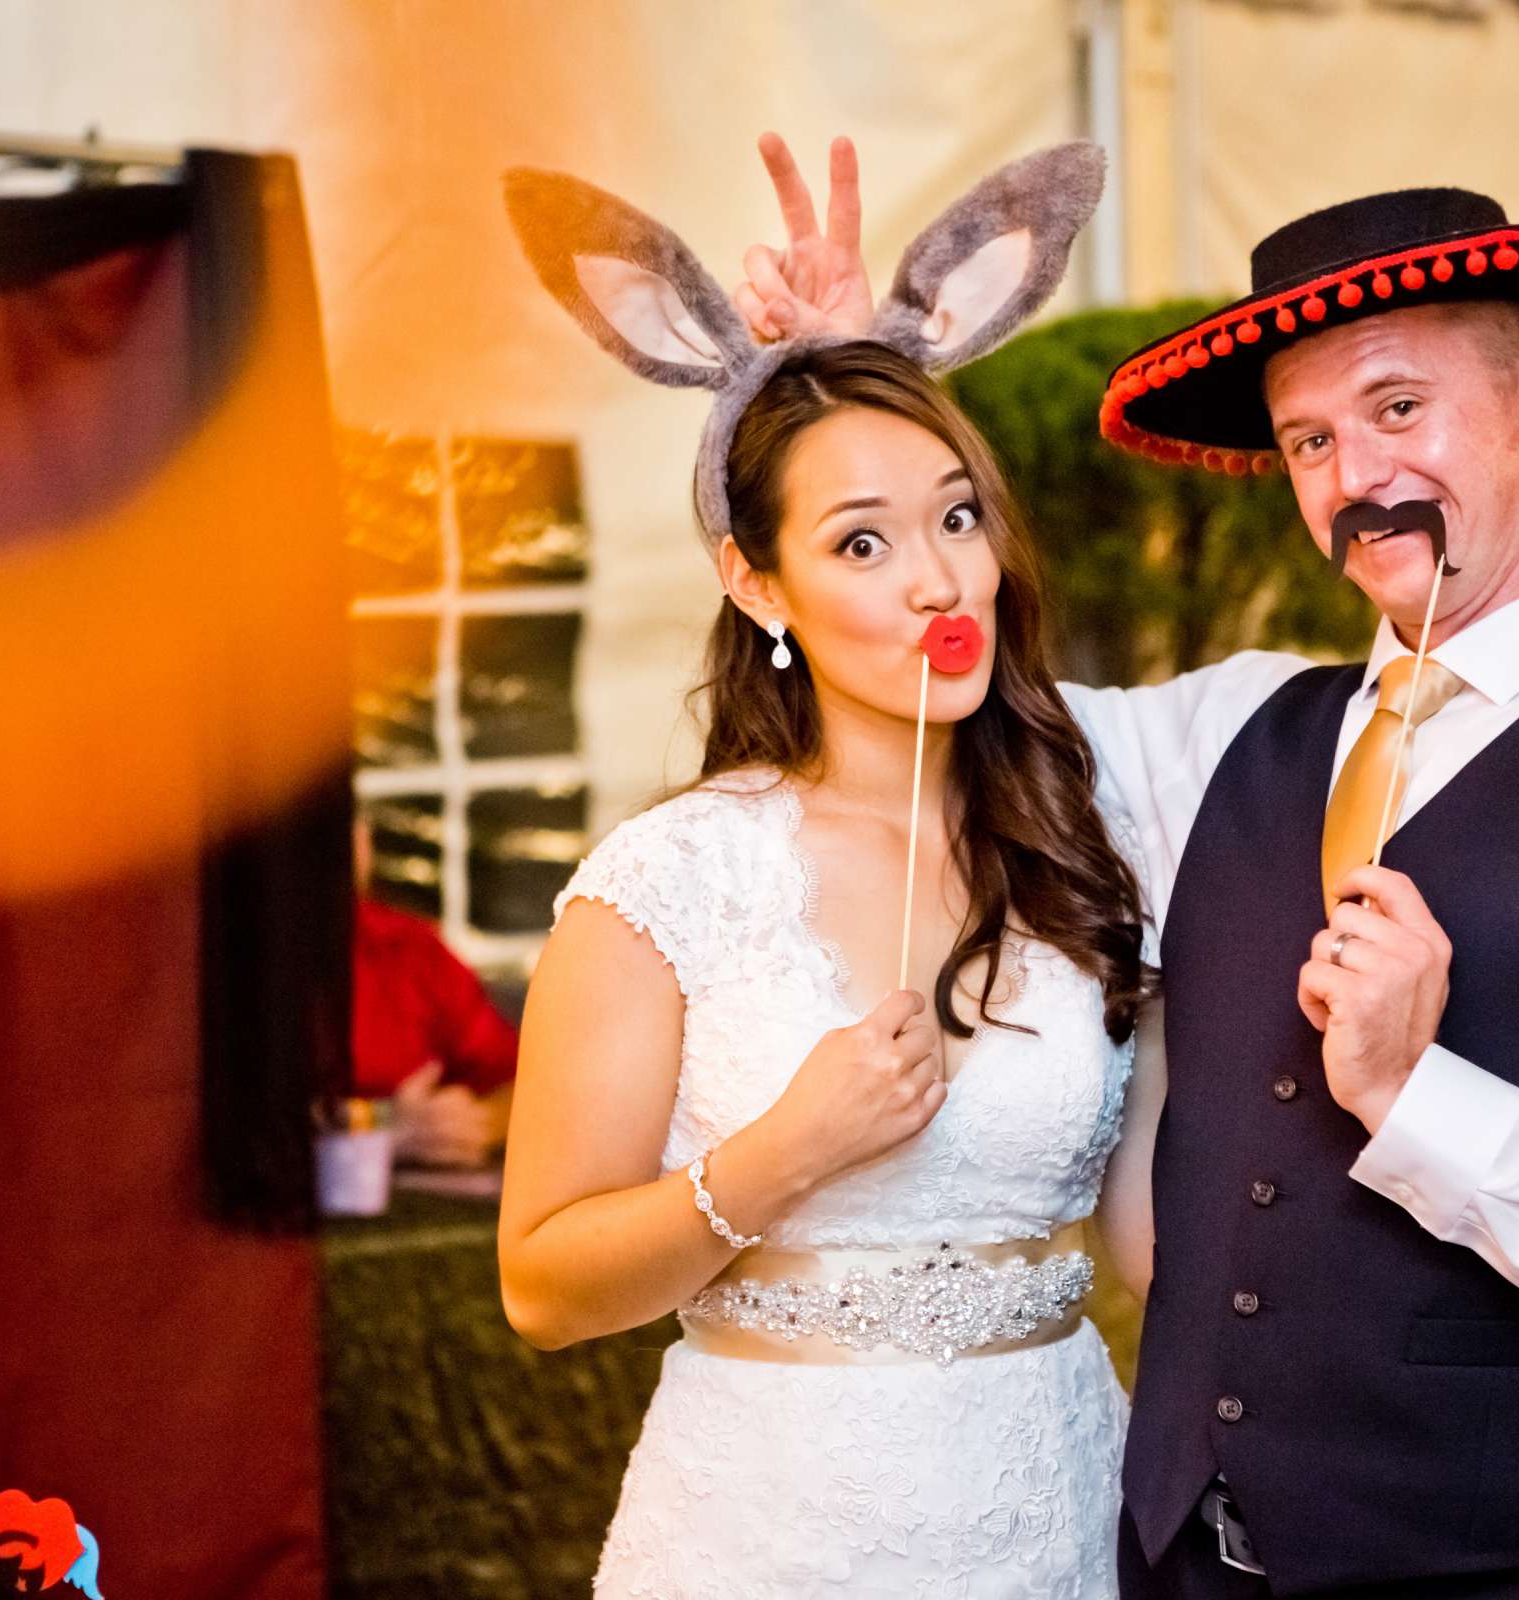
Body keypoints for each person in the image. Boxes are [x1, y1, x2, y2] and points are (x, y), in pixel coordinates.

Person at [739, 154, 1519, 1598]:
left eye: (1400, 408)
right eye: (1308, 441)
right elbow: (946, 682)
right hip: (1174, 1568)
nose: (1359, 480)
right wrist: (858, 400)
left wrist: (1423, 1103)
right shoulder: (1231, 735)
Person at [497, 143, 1170, 1597]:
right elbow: (542, 1285)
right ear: (757, 583)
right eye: (860, 540)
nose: (937, 579)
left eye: (955, 515)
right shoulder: (669, 882)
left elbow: (1150, 1244)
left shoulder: (1087, 841)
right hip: (770, 1532)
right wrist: (787, 1149)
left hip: (1050, 1513)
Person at [351, 813, 518, 1166]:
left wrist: (467, 1127)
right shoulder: (212, 958)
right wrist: (381, 1128)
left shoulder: (409, 950)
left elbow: (521, 1082)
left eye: (352, 825)